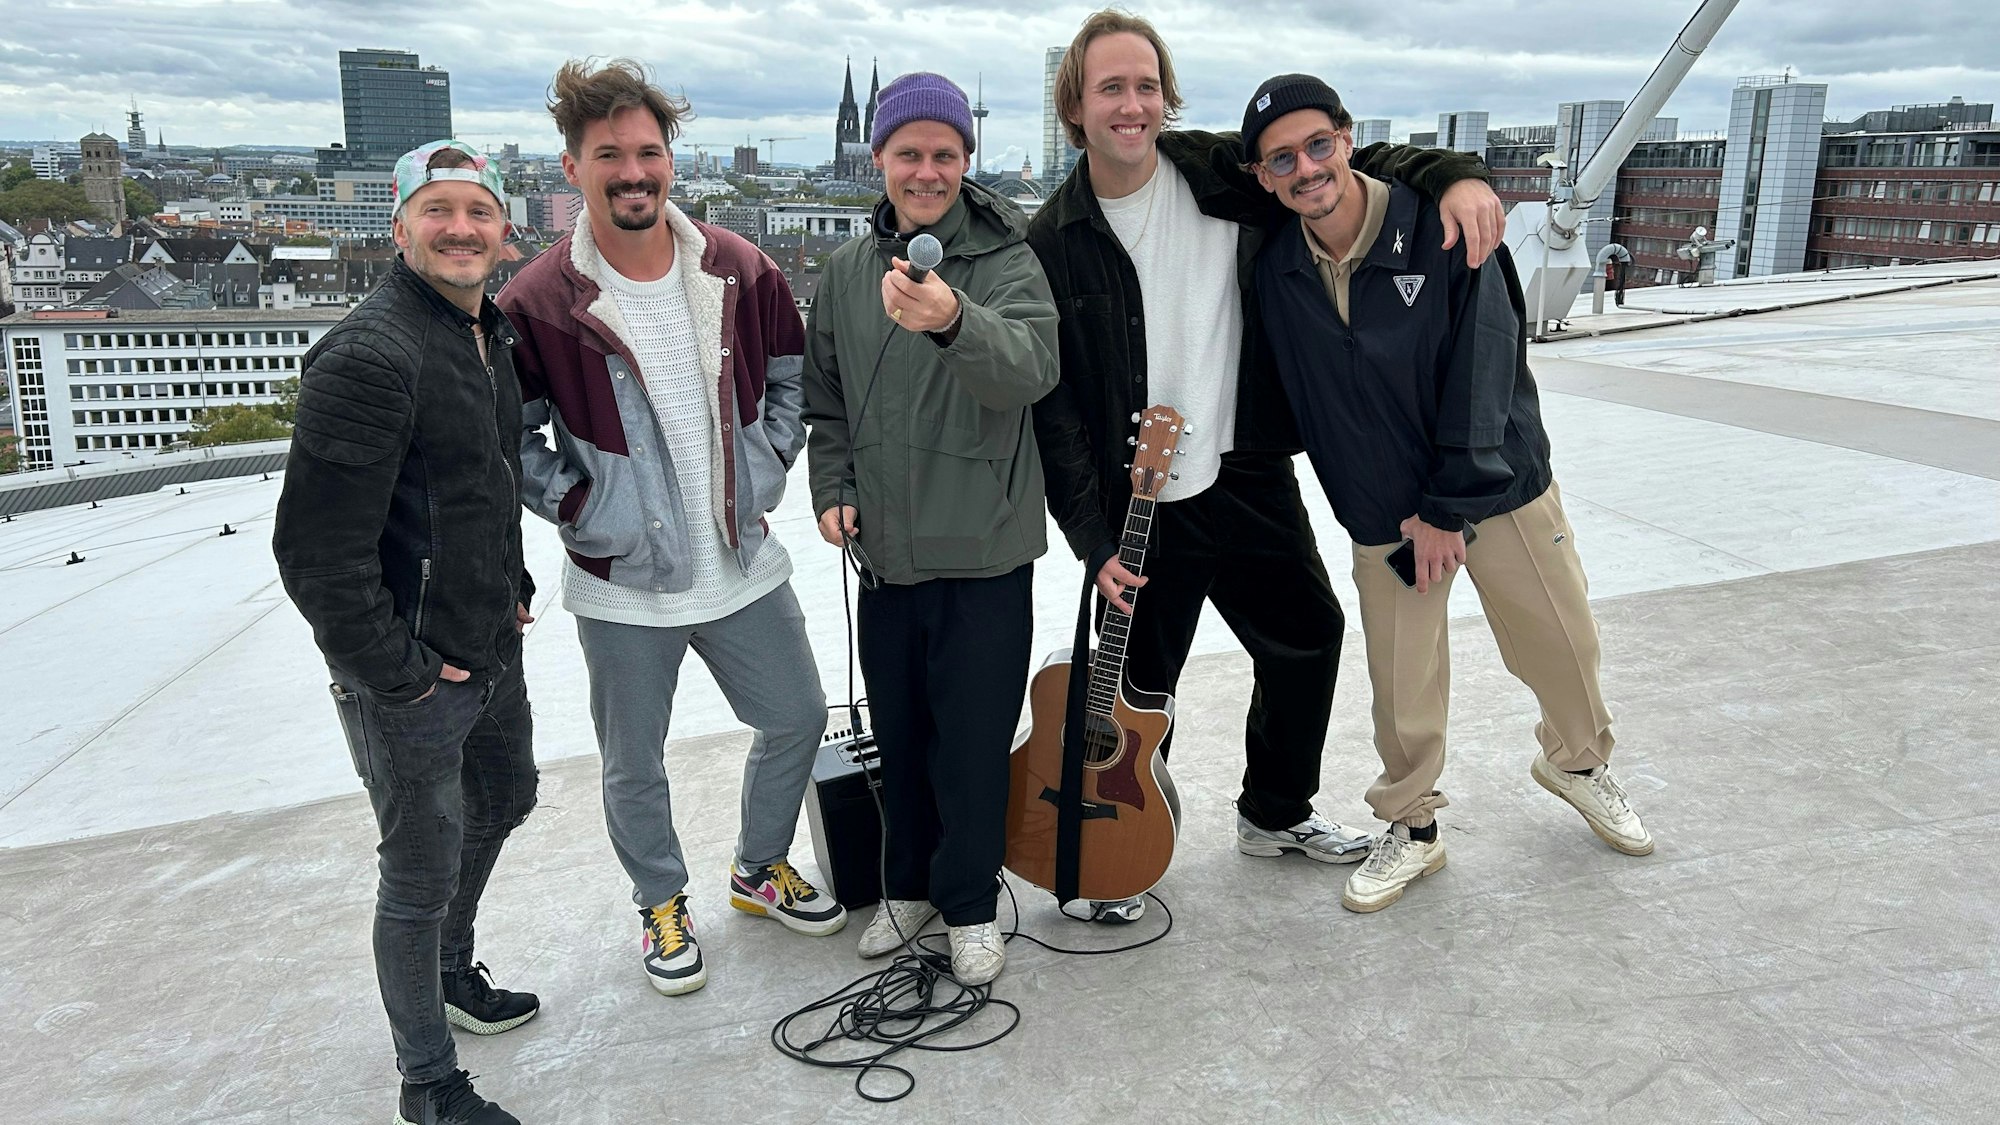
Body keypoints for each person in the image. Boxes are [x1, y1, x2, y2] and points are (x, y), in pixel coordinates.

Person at [1027, 10, 1509, 921]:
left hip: (1241, 464)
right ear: (1075, 106)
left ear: (1166, 96)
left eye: (1145, 86)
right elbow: (1054, 411)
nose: (1131, 105)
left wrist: (1454, 174)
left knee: (1308, 636)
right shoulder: (1053, 237)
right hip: (1141, 498)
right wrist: (1092, 539)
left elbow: (1334, 164)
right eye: (1109, 88)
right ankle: (1110, 848)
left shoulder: (1218, 167)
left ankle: (1273, 814)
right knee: (1133, 691)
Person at [1243, 73, 1653, 915]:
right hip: (1383, 508)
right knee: (1403, 682)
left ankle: (1575, 760)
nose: (1306, 168)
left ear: (1348, 139)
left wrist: (1446, 507)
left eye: (1319, 144)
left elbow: (1486, 374)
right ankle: (1413, 824)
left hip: (1495, 482)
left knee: (1562, 644)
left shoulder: (1445, 225)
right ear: (1261, 176)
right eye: (1281, 159)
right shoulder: (1275, 263)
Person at [498, 59, 843, 999]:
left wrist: (767, 463)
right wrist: (583, 508)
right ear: (573, 167)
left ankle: (756, 866)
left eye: (647, 151)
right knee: (633, 762)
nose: (632, 170)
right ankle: (661, 899)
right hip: (622, 579)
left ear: (670, 161)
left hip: (739, 560)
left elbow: (788, 380)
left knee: (797, 716)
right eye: (608, 154)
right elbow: (513, 436)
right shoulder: (537, 300)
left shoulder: (737, 265)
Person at [274, 139, 536, 1125]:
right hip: (415, 675)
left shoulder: (485, 334)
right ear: (399, 228)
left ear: (504, 230)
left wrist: (507, 581)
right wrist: (402, 676)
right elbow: (314, 554)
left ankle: (452, 973)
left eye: (478, 211)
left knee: (505, 796)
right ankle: (427, 1085)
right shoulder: (370, 353)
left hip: (485, 645)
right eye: (438, 210)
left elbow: (483, 485)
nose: (461, 228)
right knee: (417, 871)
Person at [803, 72, 1059, 986]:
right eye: (908, 153)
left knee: (974, 738)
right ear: (879, 159)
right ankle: (905, 885)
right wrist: (831, 485)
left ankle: (970, 905)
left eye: (943, 154)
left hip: (983, 548)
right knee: (901, 732)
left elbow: (1032, 369)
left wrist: (955, 320)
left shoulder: (1006, 258)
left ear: (965, 159)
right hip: (887, 553)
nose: (926, 170)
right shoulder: (842, 274)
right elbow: (824, 401)